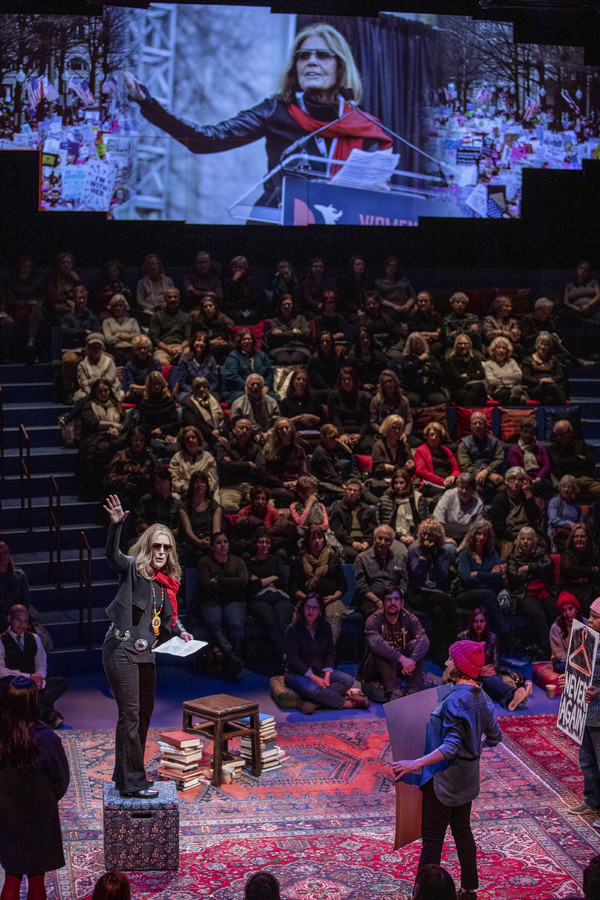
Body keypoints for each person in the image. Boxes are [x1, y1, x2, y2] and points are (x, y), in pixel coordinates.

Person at [125, 23, 392, 213]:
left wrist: (380, 194)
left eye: (322, 55)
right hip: (275, 222)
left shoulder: (366, 126)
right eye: (303, 56)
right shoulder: (276, 110)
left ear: (340, 66)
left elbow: (376, 190)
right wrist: (149, 105)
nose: (311, 62)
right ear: (295, 66)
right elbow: (206, 140)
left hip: (337, 227)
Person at [392, 639, 502, 900]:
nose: (445, 663)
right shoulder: (484, 698)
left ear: (461, 668)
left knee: (432, 841)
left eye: (451, 659)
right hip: (467, 783)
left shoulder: (455, 701)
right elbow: (495, 737)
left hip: (443, 784)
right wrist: (473, 747)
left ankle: (423, 895)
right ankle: (469, 889)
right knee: (463, 831)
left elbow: (451, 746)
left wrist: (414, 764)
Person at [102, 494, 193, 798]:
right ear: (148, 547)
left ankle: (124, 776)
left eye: (167, 547)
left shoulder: (167, 583)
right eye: (157, 546)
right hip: (122, 650)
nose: (162, 551)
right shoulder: (133, 569)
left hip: (146, 654)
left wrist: (181, 632)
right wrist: (116, 525)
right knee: (129, 715)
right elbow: (112, 555)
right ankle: (134, 784)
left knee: (143, 715)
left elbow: (167, 618)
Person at [0, 676, 70, 900]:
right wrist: (45, 799)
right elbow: (61, 780)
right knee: (36, 877)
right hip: (39, 815)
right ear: (34, 703)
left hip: (6, 815)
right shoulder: (47, 738)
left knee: (12, 876)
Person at [284, 593, 366, 715]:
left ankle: (313, 702)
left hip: (320, 669)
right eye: (308, 607)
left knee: (348, 680)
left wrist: (327, 675)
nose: (310, 611)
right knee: (314, 689)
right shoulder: (293, 629)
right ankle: (347, 703)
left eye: (314, 608)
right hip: (297, 673)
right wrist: (314, 678)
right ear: (303, 609)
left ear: (320, 611)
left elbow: (330, 652)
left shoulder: (325, 626)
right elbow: (294, 659)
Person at [561, 598, 600, 823]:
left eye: (595, 618)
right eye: (591, 616)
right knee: (587, 758)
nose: (590, 620)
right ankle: (593, 800)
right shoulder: (588, 638)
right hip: (586, 709)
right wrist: (571, 676)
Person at [0, 605, 67, 730]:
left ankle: (27, 713)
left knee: (60, 683)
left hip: (32, 685)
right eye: (18, 620)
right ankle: (47, 715)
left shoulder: (34, 638)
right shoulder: (1, 641)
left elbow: (41, 664)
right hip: (13, 685)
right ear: (9, 619)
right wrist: (28, 677)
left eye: (25, 621)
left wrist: (39, 681)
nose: (22, 625)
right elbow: (1, 670)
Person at [358, 586, 429, 703]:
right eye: (388, 599)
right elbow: (375, 642)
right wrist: (401, 658)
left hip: (401, 667)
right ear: (383, 602)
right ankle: (393, 691)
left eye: (396, 599)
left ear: (402, 603)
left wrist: (412, 660)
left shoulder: (409, 618)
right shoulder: (374, 619)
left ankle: (413, 690)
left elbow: (424, 640)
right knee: (380, 649)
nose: (392, 603)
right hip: (376, 667)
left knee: (417, 645)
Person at [458, 607, 532, 711]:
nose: (478, 624)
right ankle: (513, 693)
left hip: (488, 674)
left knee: (489, 680)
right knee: (487, 680)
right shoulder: (463, 638)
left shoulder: (492, 637)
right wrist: (479, 671)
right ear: (471, 623)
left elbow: (496, 662)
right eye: (475, 621)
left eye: (482, 621)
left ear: (486, 623)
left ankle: (509, 701)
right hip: (471, 675)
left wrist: (490, 670)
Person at [197, 533, 249, 678]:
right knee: (213, 622)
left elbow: (243, 582)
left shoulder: (238, 561)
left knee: (236, 623)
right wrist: (231, 582)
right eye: (219, 542)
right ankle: (232, 656)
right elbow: (206, 584)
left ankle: (231, 658)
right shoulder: (204, 562)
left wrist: (219, 580)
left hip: (233, 600)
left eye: (225, 542)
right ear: (213, 546)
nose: (223, 545)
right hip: (211, 600)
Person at [291, 525, 348, 645]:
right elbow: (293, 587)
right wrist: (307, 599)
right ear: (307, 541)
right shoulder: (299, 560)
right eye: (313, 538)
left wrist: (333, 597)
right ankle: (305, 653)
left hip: (330, 600)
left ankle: (327, 652)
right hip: (307, 600)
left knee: (333, 615)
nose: (317, 541)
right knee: (302, 617)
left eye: (319, 538)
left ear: (324, 539)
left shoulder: (332, 558)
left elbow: (342, 585)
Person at [506, 526, 555, 657]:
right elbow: (514, 577)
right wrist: (537, 572)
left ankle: (560, 645)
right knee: (537, 613)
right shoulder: (513, 556)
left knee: (554, 610)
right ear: (518, 541)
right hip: (523, 592)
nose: (526, 541)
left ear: (534, 541)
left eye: (529, 539)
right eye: (523, 539)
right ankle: (546, 648)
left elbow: (549, 566)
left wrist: (528, 568)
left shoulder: (541, 551)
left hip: (544, 588)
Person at [246, 528, 293, 664]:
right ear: (255, 544)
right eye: (261, 542)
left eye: (267, 542)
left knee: (284, 622)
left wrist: (260, 581)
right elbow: (251, 587)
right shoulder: (249, 563)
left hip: (279, 596)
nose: (265, 545)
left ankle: (291, 656)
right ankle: (286, 656)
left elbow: (283, 580)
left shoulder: (276, 560)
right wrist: (272, 577)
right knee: (271, 622)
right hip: (259, 599)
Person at [455, 520, 507, 642]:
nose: (481, 537)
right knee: (488, 594)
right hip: (466, 594)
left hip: (485, 595)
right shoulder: (465, 554)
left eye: (485, 534)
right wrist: (489, 576)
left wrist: (478, 574)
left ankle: (487, 645)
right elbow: (466, 579)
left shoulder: (492, 554)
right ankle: (504, 631)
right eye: (479, 533)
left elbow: (499, 576)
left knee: (485, 608)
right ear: (473, 535)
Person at [353, 524, 409, 618]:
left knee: (407, 617)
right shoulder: (362, 558)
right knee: (376, 616)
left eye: (387, 540)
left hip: (394, 597)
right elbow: (361, 586)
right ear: (374, 538)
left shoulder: (399, 559)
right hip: (371, 599)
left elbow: (404, 583)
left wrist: (394, 599)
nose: (382, 542)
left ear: (391, 542)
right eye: (380, 538)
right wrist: (378, 601)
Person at [216, 417, 266, 511]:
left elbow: (260, 470)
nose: (244, 431)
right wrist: (248, 464)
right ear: (234, 430)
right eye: (241, 428)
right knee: (228, 506)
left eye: (247, 429)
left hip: (251, 485)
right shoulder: (224, 446)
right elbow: (223, 467)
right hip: (230, 485)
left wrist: (233, 464)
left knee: (265, 505)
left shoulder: (256, 448)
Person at [488, 466, 541, 556]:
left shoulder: (526, 495)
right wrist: (514, 539)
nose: (516, 482)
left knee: (542, 544)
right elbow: (499, 526)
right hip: (509, 535)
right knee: (510, 549)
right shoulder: (500, 498)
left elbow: (535, 516)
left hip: (527, 533)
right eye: (513, 479)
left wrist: (528, 494)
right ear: (507, 481)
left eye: (520, 479)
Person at [456, 410, 505, 503]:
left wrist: (487, 471)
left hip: (494, 475)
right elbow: (466, 466)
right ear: (471, 427)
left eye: (480, 423)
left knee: (504, 490)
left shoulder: (495, 442)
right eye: (475, 423)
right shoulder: (464, 444)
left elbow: (500, 459)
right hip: (474, 478)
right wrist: (488, 475)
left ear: (486, 426)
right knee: (473, 491)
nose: (478, 425)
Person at [176, 472, 222, 567]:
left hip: (208, 541)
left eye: (202, 482)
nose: (199, 485)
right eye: (196, 482)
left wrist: (211, 542)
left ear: (206, 485)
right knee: (191, 552)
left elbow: (216, 529)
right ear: (192, 485)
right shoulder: (184, 506)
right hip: (190, 541)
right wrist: (198, 541)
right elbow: (188, 530)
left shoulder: (214, 506)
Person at [376, 467, 428, 551]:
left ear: (407, 483)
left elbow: (423, 523)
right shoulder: (386, 500)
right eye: (395, 483)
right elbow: (386, 525)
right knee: (399, 550)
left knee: (417, 549)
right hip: (393, 537)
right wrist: (399, 537)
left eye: (401, 483)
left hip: (416, 536)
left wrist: (413, 536)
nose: (398, 486)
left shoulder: (418, 498)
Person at [548, 419, 600, 500]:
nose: (560, 437)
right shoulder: (552, 448)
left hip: (582, 481)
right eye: (558, 435)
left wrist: (567, 463)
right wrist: (577, 458)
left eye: (563, 434)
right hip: (563, 482)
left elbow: (590, 462)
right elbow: (558, 464)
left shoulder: (581, 445)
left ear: (571, 432)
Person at [432, 473, 484, 551]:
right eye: (461, 487)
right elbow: (438, 520)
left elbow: (473, 530)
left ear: (473, 489)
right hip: (444, 534)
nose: (463, 491)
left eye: (467, 488)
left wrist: (460, 548)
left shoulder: (478, 504)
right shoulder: (449, 495)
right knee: (449, 548)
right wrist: (444, 538)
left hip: (466, 538)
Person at [329, 479, 378, 562]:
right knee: (358, 555)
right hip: (346, 543)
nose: (352, 493)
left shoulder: (367, 510)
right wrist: (352, 543)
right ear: (346, 491)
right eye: (349, 490)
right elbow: (338, 531)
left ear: (359, 494)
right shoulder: (337, 509)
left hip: (364, 542)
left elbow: (372, 529)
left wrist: (367, 542)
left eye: (355, 490)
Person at [263, 417, 308, 506]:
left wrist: (297, 483)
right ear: (277, 432)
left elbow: (303, 471)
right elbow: (269, 475)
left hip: (296, 484)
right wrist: (283, 484)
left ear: (291, 430)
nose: (284, 430)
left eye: (287, 428)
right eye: (281, 429)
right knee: (287, 495)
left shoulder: (299, 450)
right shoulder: (270, 449)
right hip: (278, 485)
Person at [327, 366, 372, 453]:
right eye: (344, 379)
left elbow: (366, 420)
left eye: (349, 379)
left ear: (354, 380)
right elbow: (334, 417)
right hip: (341, 431)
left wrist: (360, 435)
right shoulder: (334, 395)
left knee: (368, 446)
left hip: (358, 432)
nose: (347, 382)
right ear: (340, 381)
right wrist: (342, 434)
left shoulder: (362, 397)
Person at [559, 524, 600, 617]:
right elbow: (568, 571)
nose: (579, 539)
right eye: (576, 536)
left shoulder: (595, 553)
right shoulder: (567, 554)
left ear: (588, 539)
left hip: (591, 588)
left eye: (582, 536)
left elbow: (598, 574)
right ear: (572, 539)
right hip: (571, 588)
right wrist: (591, 570)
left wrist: (581, 574)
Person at [506, 417, 551, 498]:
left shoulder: (541, 449)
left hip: (540, 479)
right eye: (525, 432)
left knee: (544, 485)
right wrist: (530, 480)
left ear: (534, 434)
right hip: (522, 479)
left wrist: (538, 478)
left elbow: (546, 466)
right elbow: (518, 469)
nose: (528, 435)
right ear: (520, 432)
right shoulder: (514, 450)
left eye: (531, 433)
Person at [169, 425, 218, 499]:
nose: (190, 440)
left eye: (193, 437)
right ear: (183, 442)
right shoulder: (177, 457)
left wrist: (202, 489)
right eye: (187, 439)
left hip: (204, 491)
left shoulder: (208, 457)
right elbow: (173, 479)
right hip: (183, 491)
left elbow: (213, 479)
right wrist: (184, 488)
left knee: (215, 501)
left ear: (198, 439)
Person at [370, 414, 415, 495]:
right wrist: (401, 468)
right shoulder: (379, 446)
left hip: (402, 481)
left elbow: (411, 468)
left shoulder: (405, 446)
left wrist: (389, 467)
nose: (397, 431)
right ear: (387, 428)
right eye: (394, 428)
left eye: (399, 428)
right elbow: (378, 468)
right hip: (383, 481)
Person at [413, 421, 460, 497]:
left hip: (448, 482)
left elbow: (456, 469)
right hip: (430, 483)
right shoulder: (420, 450)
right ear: (426, 436)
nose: (434, 438)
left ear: (441, 438)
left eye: (437, 435)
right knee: (447, 495)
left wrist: (452, 476)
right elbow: (420, 471)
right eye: (431, 435)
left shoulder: (447, 451)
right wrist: (442, 481)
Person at [148, 287, 192, 366]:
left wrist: (180, 348)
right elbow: (155, 338)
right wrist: (168, 349)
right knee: (161, 362)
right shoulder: (157, 316)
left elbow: (188, 338)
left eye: (175, 297)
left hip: (182, 347)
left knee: (188, 359)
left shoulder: (186, 317)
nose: (172, 299)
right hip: (163, 348)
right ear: (165, 299)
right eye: (170, 297)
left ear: (179, 299)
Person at [229, 374, 280, 441]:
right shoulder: (238, 404)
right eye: (252, 384)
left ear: (262, 387)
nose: (255, 387)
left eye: (258, 384)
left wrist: (267, 434)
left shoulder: (272, 403)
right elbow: (235, 426)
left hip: (268, 438)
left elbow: (276, 424)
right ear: (246, 387)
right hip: (245, 439)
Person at [522, 331, 568, 405]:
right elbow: (525, 377)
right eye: (541, 344)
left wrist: (551, 379)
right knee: (552, 387)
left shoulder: (553, 359)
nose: (543, 347)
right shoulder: (528, 359)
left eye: (546, 345)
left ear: (549, 348)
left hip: (551, 386)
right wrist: (540, 381)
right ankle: (567, 411)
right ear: (536, 345)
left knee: (549, 400)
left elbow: (561, 375)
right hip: (535, 388)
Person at [400, 332, 445, 407]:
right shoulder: (406, 358)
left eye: (419, 343)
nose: (417, 346)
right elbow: (408, 370)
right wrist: (420, 359)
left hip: (429, 389)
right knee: (413, 400)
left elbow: (438, 373)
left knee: (440, 400)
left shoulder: (431, 358)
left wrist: (423, 372)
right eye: (414, 344)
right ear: (410, 346)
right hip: (413, 390)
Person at [264, 294, 312, 365]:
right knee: (283, 360)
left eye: (289, 304)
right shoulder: (275, 321)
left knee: (296, 360)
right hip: (280, 347)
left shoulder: (301, 318)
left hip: (299, 347)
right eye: (284, 304)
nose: (286, 306)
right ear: (280, 306)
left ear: (293, 305)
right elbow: (274, 336)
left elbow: (305, 333)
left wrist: (282, 333)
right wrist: (295, 332)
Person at [174, 331, 219, 403]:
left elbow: (214, 382)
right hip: (188, 392)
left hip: (207, 392)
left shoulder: (211, 359)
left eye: (204, 341)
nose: (201, 343)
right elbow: (182, 383)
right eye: (198, 340)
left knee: (215, 399)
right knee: (190, 401)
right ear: (193, 342)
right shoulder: (184, 359)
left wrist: (205, 391)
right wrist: (196, 391)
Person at [180, 376, 225, 448]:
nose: (202, 389)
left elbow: (223, 420)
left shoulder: (215, 400)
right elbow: (194, 425)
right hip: (200, 437)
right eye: (198, 388)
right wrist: (212, 433)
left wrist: (219, 431)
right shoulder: (188, 404)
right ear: (194, 390)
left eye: (204, 387)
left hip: (218, 433)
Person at [134, 467, 181, 535]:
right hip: (149, 536)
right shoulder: (146, 500)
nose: (161, 485)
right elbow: (140, 523)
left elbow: (180, 528)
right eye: (157, 483)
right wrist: (155, 533)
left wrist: (167, 534)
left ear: (169, 481)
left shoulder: (177, 503)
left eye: (164, 481)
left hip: (170, 537)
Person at [444, 334, 487, 407]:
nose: (463, 346)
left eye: (465, 343)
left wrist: (467, 375)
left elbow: (482, 375)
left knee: (478, 389)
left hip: (474, 388)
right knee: (472, 393)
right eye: (460, 344)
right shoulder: (451, 361)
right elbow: (457, 379)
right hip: (457, 389)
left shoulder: (475, 359)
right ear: (456, 346)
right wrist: (474, 375)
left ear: (470, 345)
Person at [482, 336, 525, 406]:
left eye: (504, 348)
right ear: (494, 350)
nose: (501, 350)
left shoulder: (512, 362)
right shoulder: (488, 364)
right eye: (498, 348)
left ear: (507, 351)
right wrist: (511, 377)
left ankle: (510, 414)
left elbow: (519, 377)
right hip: (497, 392)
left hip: (512, 390)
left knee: (521, 397)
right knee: (519, 394)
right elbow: (492, 381)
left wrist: (501, 377)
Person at [548, 475, 584, 552]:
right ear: (560, 488)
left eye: (569, 487)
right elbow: (553, 519)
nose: (566, 489)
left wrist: (579, 525)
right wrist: (569, 524)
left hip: (573, 533)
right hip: (559, 533)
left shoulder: (576, 505)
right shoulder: (555, 501)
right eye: (564, 487)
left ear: (573, 489)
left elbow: (580, 521)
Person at [135, 254, 174, 326]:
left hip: (167, 308)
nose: (152, 267)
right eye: (149, 264)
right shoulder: (142, 283)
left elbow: (174, 295)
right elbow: (140, 301)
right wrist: (153, 308)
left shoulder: (168, 280)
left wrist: (166, 305)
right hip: (150, 310)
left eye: (154, 264)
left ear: (158, 265)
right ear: (146, 267)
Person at [102, 294, 141, 366]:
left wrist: (119, 335)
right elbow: (109, 341)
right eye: (115, 305)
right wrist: (129, 335)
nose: (118, 308)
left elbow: (137, 338)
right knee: (120, 357)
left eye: (120, 305)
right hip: (115, 349)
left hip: (131, 348)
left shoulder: (132, 321)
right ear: (111, 307)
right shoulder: (107, 322)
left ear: (125, 307)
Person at [550, 592, 584, 674]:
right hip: (563, 661)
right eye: (564, 611)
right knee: (564, 667)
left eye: (570, 609)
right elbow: (559, 653)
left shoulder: (585, 624)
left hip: (582, 660)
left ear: (577, 608)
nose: (568, 613)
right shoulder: (556, 627)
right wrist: (574, 662)